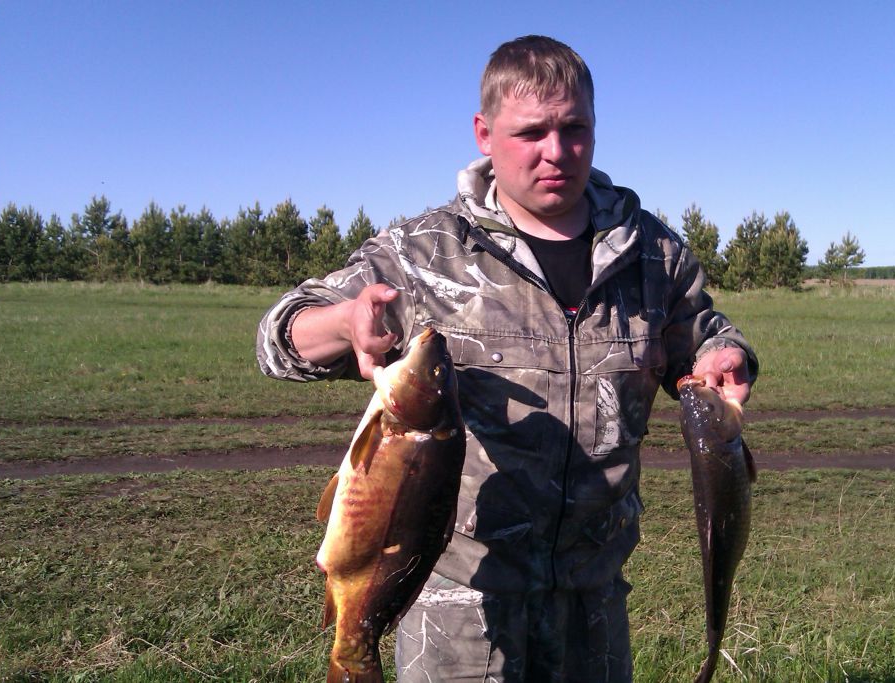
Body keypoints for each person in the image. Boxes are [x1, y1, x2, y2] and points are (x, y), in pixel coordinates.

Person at [257, 35, 757, 683]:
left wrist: (722, 356)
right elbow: (280, 338)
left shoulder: (651, 253)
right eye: (531, 132)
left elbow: (701, 335)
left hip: (594, 597)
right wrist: (343, 320)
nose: (557, 151)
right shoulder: (424, 252)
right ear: (484, 134)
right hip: (461, 606)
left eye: (574, 128)